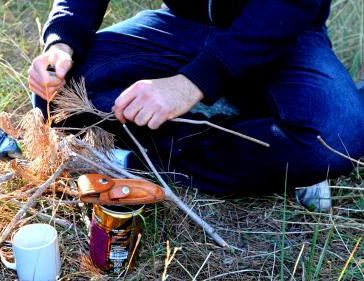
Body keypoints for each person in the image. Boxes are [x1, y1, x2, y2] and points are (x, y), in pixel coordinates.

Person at [28, 0, 364, 212]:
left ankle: (132, 159)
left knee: (331, 139)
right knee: (58, 95)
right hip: (184, 25)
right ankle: (262, 135)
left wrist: (191, 83)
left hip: (283, 31)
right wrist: (62, 43)